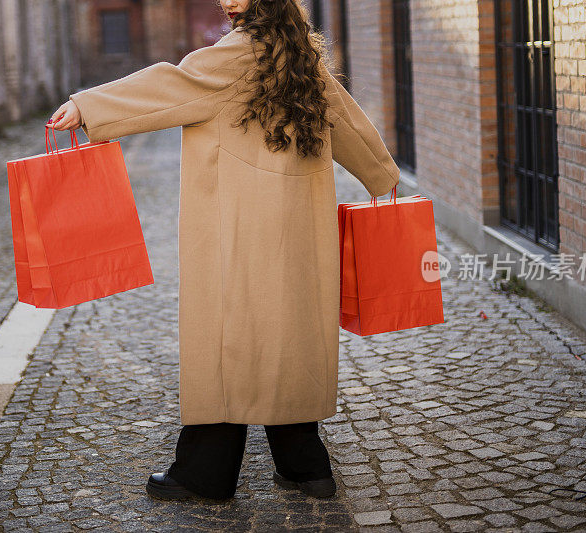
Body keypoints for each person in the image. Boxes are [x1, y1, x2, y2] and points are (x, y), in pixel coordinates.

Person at [48, 0, 399, 502]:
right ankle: (306, 467)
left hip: (240, 226)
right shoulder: (298, 54)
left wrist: (90, 106)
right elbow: (345, 119)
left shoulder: (234, 54)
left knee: (224, 342)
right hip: (298, 229)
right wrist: (381, 175)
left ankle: (204, 473)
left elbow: (168, 85)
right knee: (286, 336)